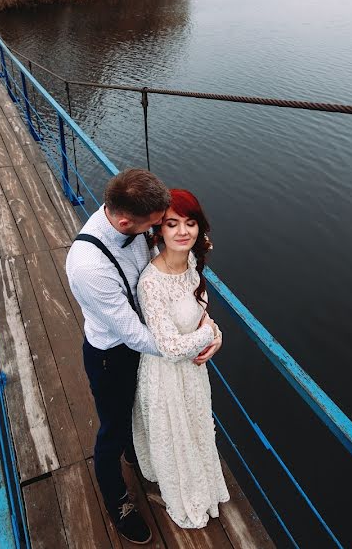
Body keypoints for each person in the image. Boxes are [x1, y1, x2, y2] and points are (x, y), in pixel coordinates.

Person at [65, 170, 221, 544]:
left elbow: (166, 268)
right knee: (113, 429)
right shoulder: (88, 267)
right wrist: (199, 339)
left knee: (144, 409)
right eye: (155, 226)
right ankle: (117, 499)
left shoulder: (132, 219)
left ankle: (144, 453)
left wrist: (207, 326)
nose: (158, 233)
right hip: (113, 354)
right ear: (124, 222)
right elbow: (134, 334)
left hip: (153, 339)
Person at [132, 189, 230, 529]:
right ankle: (182, 492)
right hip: (166, 375)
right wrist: (211, 335)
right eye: (172, 224)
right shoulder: (150, 282)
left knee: (196, 429)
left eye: (190, 223)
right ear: (160, 230)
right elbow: (171, 347)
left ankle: (204, 481)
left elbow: (201, 317)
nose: (182, 232)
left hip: (192, 372)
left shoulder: (190, 264)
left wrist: (213, 336)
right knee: (176, 436)